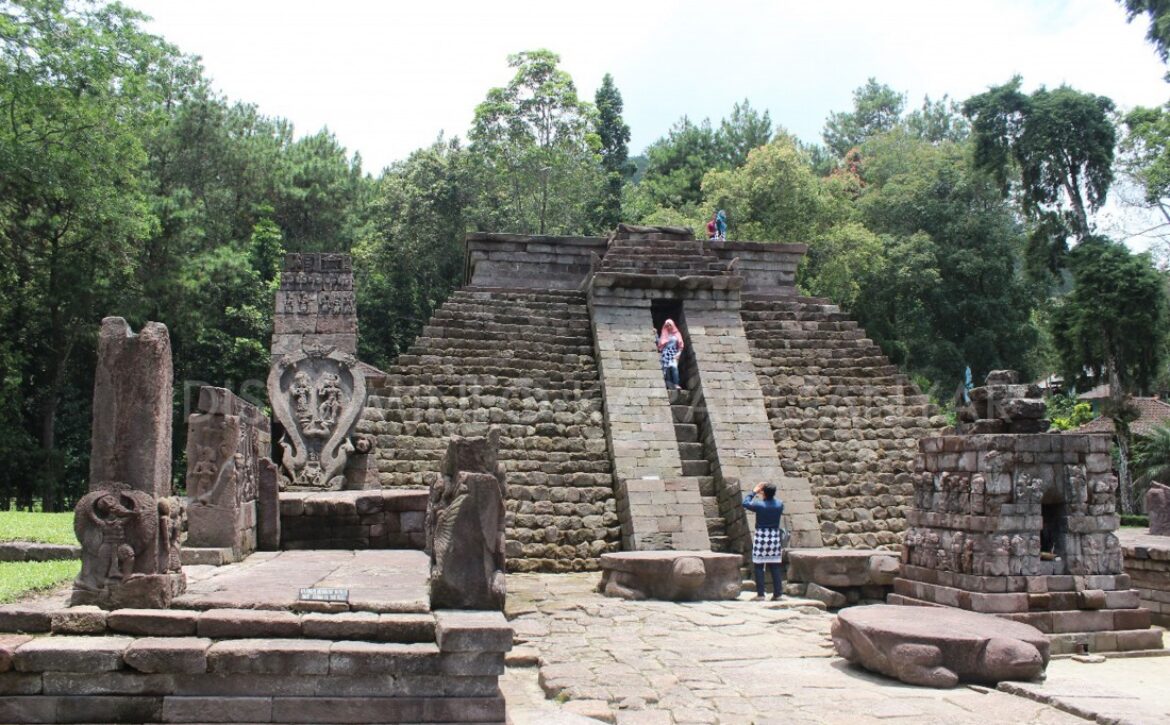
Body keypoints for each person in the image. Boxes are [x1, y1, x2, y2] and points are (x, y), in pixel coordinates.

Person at [742, 482, 785, 600]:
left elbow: (745, 503)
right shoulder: (780, 504)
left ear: (764, 493)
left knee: (759, 566)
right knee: (775, 566)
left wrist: (754, 492)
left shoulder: (760, 505)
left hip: (761, 536)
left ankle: (761, 594)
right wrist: (765, 494)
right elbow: (773, 503)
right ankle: (778, 594)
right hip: (775, 536)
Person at [657, 319, 684, 390]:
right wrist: (655, 334)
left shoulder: (677, 334)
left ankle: (676, 384)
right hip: (665, 353)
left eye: (670, 325)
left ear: (673, 325)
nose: (668, 327)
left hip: (673, 353)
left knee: (674, 368)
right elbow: (659, 343)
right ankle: (669, 385)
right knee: (667, 370)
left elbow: (680, 345)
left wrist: (678, 354)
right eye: (667, 326)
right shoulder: (664, 335)